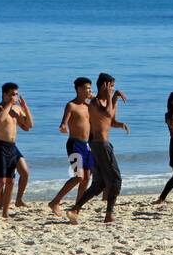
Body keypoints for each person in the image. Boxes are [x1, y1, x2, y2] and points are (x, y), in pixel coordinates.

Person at [66, 73, 130, 224]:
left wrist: (115, 101)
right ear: (104, 86)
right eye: (111, 86)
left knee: (99, 183)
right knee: (116, 180)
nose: (113, 89)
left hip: (99, 144)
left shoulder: (104, 101)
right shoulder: (94, 103)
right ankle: (109, 214)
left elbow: (110, 119)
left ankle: (75, 209)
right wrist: (110, 97)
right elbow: (106, 112)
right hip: (100, 145)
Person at [48, 77, 94, 216]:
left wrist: (94, 96)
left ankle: (77, 208)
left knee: (86, 178)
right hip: (74, 144)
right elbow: (64, 122)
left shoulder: (88, 106)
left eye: (91, 88)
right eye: (87, 88)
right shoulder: (71, 105)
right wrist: (62, 127)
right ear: (79, 89)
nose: (90, 90)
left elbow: (102, 103)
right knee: (79, 177)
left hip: (87, 145)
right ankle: (55, 202)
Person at [0, 82, 33, 220]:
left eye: (16, 94)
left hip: (13, 147)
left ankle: (7, 210)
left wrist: (24, 107)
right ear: (5, 94)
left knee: (17, 178)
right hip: (0, 146)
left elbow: (28, 126)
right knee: (1, 182)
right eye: (12, 94)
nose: (15, 96)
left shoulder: (17, 109)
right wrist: (9, 105)